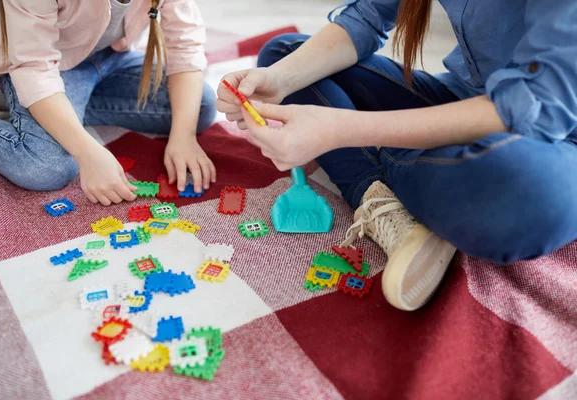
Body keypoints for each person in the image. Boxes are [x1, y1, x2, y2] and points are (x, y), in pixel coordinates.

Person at [216, 0, 577, 311]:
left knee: (534, 192)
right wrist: (277, 80)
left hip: (556, 144)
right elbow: (368, 15)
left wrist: (341, 130)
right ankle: (385, 193)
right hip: (466, 100)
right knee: (282, 56)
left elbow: (540, 107)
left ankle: (377, 166)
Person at [0, 0, 217, 205]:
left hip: (109, 57)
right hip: (42, 68)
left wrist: (183, 136)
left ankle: (16, 102)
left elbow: (186, 47)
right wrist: (87, 152)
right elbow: (34, 70)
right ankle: (23, 99)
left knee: (200, 107)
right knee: (48, 167)